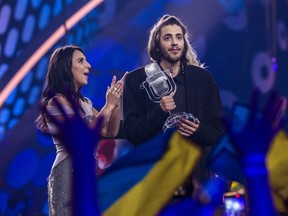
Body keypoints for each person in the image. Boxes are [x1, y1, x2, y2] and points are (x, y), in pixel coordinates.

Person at [123, 14, 224, 196]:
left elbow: (218, 132)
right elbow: (132, 134)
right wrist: (159, 111)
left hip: (195, 182)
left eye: (179, 37)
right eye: (167, 38)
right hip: (154, 182)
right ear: (156, 44)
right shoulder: (136, 80)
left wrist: (197, 130)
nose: (174, 43)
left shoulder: (203, 79)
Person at [35, 45, 125, 215]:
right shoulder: (56, 102)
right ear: (66, 68)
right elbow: (85, 134)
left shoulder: (85, 103)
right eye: (81, 61)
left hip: (87, 171)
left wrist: (116, 104)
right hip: (67, 171)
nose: (89, 65)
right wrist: (109, 105)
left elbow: (110, 132)